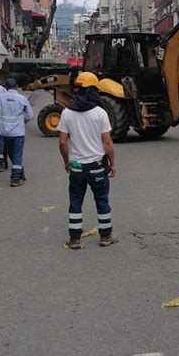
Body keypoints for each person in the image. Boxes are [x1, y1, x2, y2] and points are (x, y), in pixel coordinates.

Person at [58, 72, 117, 250]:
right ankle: (106, 236)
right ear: (93, 90)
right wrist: (113, 163)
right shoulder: (100, 113)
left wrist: (67, 161)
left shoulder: (67, 113)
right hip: (97, 167)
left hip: (76, 166)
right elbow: (107, 142)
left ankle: (75, 239)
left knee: (75, 201)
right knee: (101, 200)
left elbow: (62, 141)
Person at [0, 77, 33, 187]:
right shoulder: (22, 98)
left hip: (5, 132)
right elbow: (29, 115)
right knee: (17, 154)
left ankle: (20, 173)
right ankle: (15, 178)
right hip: (18, 132)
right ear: (16, 86)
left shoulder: (0, 98)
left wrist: (3, 122)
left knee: (11, 153)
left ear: (5, 87)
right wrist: (22, 121)